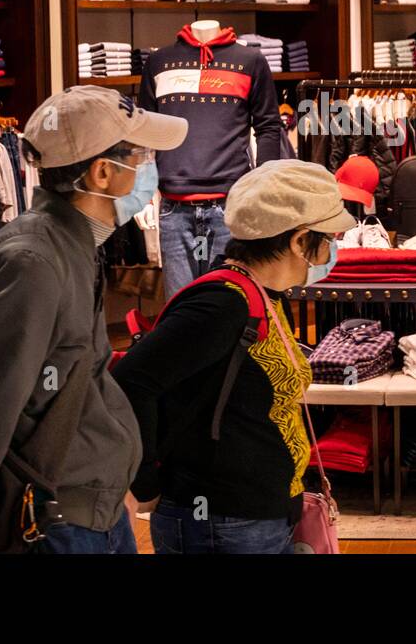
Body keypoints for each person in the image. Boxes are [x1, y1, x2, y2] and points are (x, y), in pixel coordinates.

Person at [0, 86, 187, 554]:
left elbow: (75, 388)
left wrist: (111, 492)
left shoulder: (73, 246)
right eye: (140, 154)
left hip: (89, 513)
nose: (149, 165)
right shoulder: (33, 263)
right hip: (56, 524)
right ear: (103, 172)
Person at [112, 159, 355, 554]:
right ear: (298, 240)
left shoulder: (265, 296)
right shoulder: (221, 305)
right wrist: (145, 482)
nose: (333, 247)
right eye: (330, 236)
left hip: (254, 515)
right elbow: (132, 381)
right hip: (221, 522)